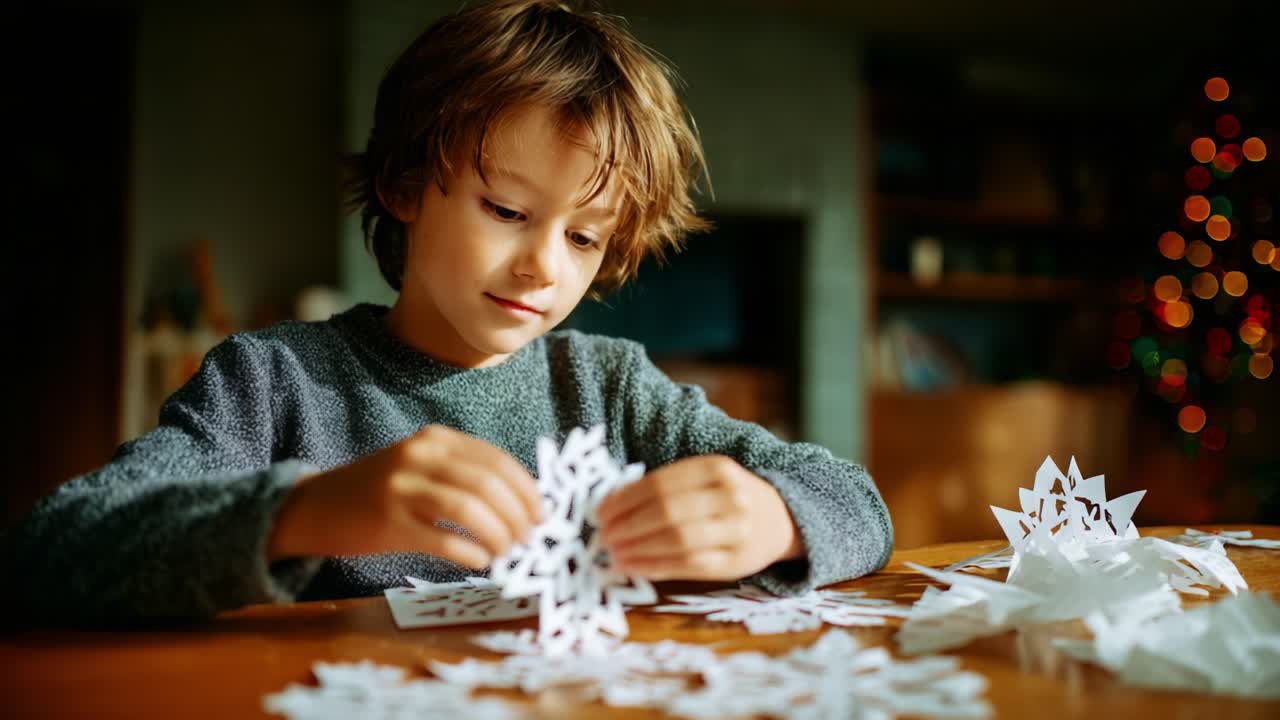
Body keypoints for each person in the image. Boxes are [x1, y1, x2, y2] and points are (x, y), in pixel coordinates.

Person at [5, 0, 892, 622]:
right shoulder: (272, 383)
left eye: (585, 238)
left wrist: (773, 515)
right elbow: (51, 553)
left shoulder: (612, 385)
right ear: (401, 186)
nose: (543, 264)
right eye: (505, 211)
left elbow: (860, 505)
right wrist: (303, 511)